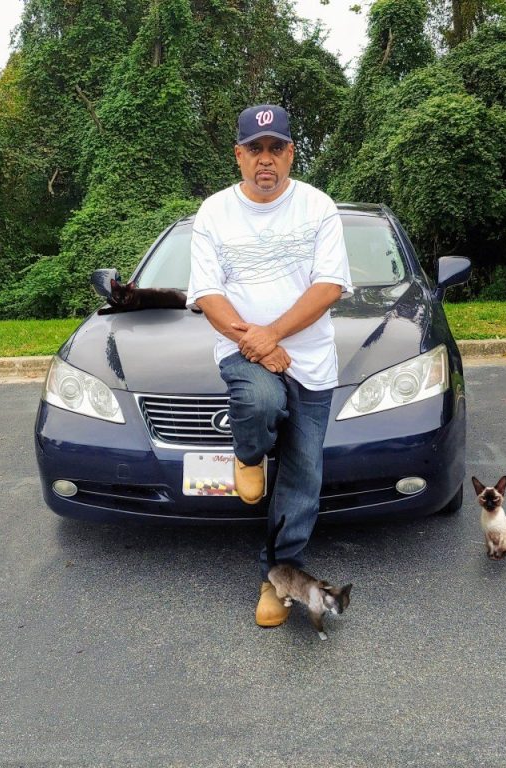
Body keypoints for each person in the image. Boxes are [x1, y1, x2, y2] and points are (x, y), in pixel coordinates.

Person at [186, 104, 353, 627]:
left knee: (303, 478)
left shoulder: (318, 207)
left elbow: (328, 287)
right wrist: (258, 346)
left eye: (275, 149)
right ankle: (249, 451)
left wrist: (272, 335)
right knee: (259, 399)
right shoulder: (214, 212)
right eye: (254, 149)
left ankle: (275, 579)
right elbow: (209, 296)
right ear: (238, 156)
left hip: (311, 361)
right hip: (241, 351)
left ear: (290, 154)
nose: (266, 160)